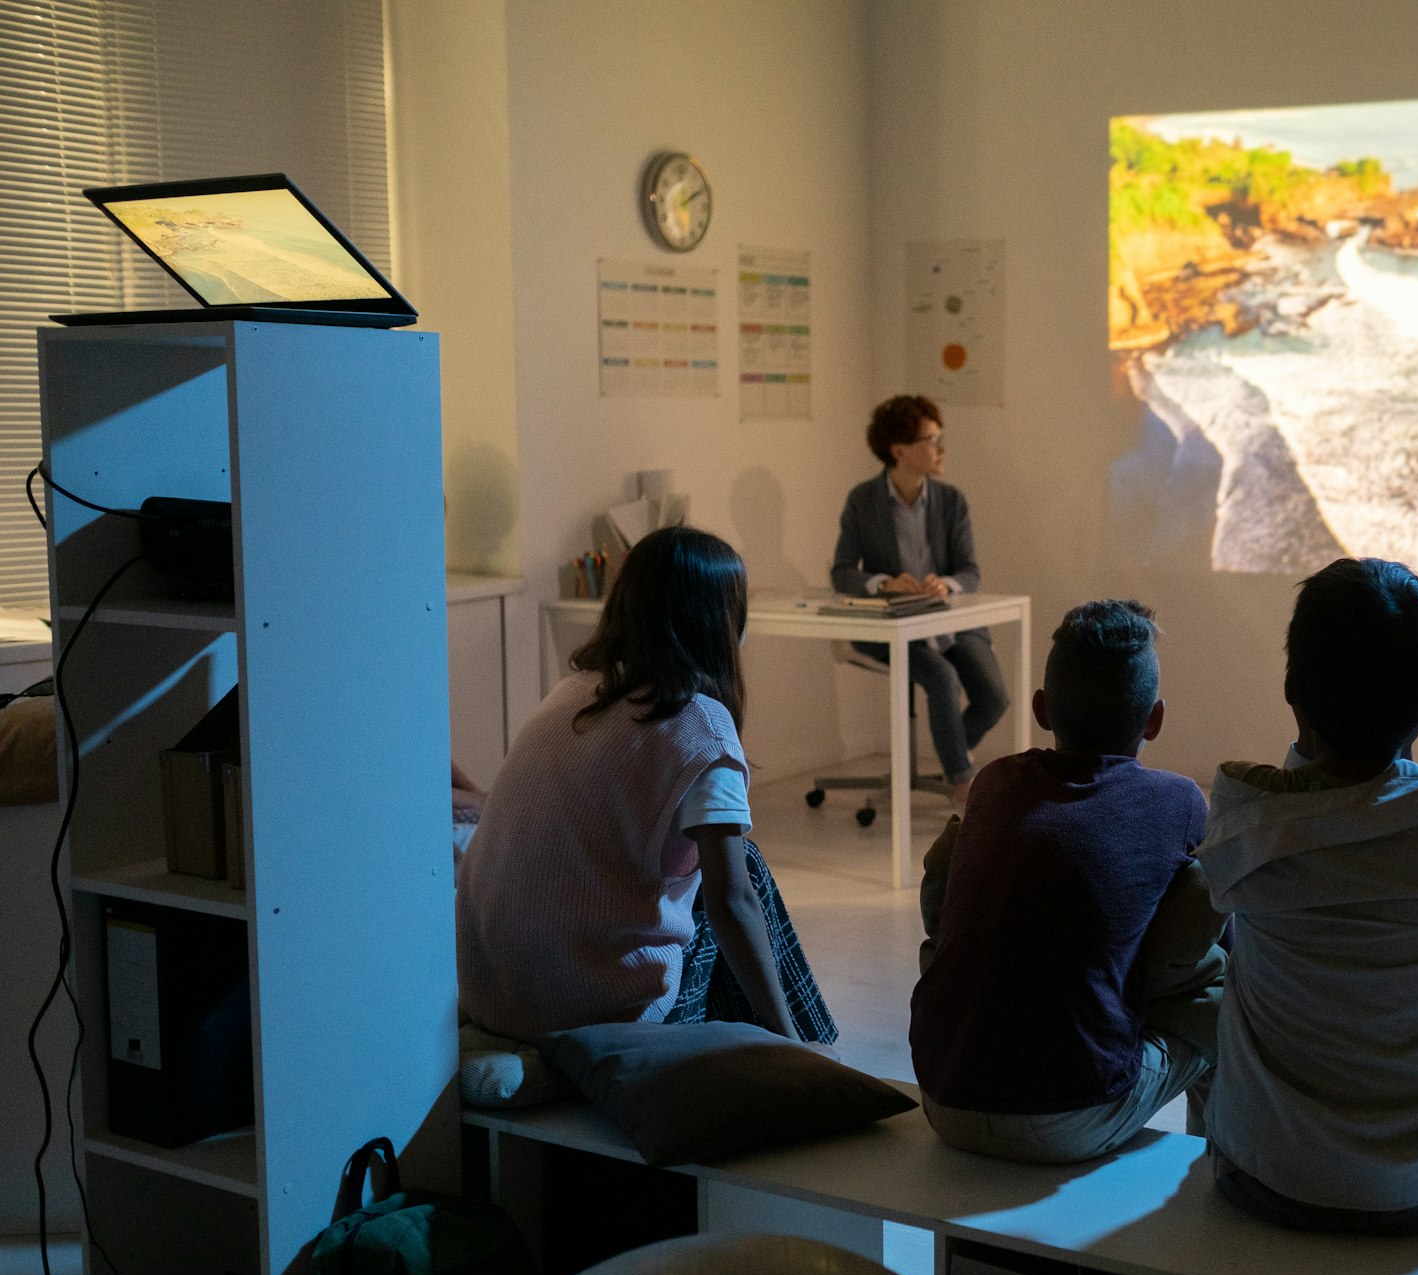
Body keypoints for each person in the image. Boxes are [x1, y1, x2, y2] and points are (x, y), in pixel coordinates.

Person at [1198, 557, 1418, 1234]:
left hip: (1264, 1178)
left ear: (1290, 688)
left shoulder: (1243, 818)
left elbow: (1300, 798)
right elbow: (1381, 799)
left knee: (1226, 948)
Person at [457, 526, 834, 1045]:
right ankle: (803, 1052)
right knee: (746, 874)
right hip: (593, 1011)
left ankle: (796, 1050)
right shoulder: (701, 726)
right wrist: (786, 1036)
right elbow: (732, 905)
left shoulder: (570, 695)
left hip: (492, 995)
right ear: (722, 622)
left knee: (726, 872)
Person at [910, 600, 1226, 1164]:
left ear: (1040, 709)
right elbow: (1199, 930)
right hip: (1072, 1114)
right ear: (1154, 718)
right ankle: (1210, 1174)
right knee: (1223, 1002)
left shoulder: (994, 783)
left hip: (942, 1094)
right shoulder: (1178, 800)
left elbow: (938, 895)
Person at [831, 395, 1008, 802]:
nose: (941, 449)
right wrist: (882, 583)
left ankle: (953, 755)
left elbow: (970, 570)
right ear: (899, 450)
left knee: (994, 696)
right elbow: (842, 572)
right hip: (892, 630)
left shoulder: (951, 501)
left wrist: (947, 584)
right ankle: (962, 786)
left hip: (950, 622)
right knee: (941, 677)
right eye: (932, 439)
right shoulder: (863, 501)